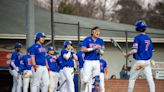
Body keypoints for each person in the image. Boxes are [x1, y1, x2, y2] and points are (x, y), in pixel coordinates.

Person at [125, 20, 155, 92]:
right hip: (148, 62)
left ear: (137, 28)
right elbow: (151, 50)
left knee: (132, 79)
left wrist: (127, 54)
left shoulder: (137, 38)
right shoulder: (149, 38)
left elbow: (135, 50)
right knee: (150, 79)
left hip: (140, 62)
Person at [81, 26, 105, 92]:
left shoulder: (100, 41)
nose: (98, 32)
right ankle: (83, 90)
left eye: (99, 31)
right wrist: (93, 48)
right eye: (96, 31)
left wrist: (99, 49)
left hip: (96, 61)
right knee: (85, 80)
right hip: (88, 61)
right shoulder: (87, 39)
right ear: (92, 32)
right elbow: (83, 49)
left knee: (96, 80)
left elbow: (102, 53)